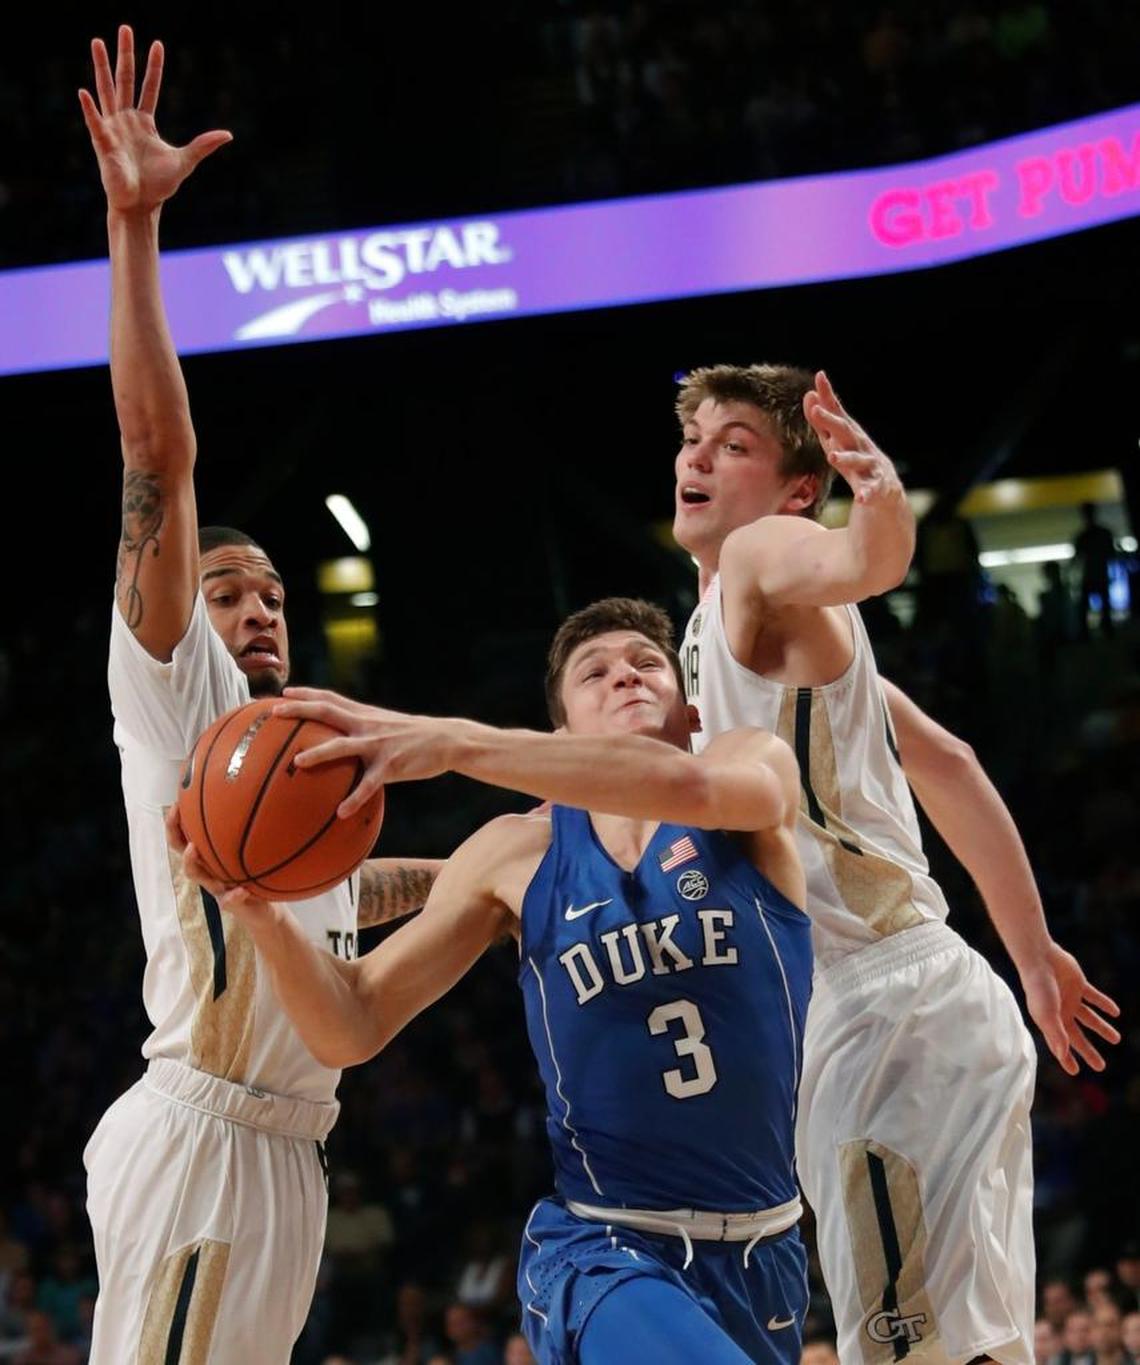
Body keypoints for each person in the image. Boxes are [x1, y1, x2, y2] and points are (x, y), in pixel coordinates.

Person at [175, 596, 815, 1364]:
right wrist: (263, 916)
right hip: (606, 1246)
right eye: (595, 673)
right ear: (559, 737)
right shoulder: (515, 853)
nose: (626, 676)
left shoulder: (752, 766)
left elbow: (696, 789)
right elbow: (352, 1019)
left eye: (648, 664)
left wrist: (453, 742)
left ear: (691, 713)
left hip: (767, 1246)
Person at [77, 27, 441, 1364]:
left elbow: (344, 896)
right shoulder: (183, 696)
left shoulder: (294, 774)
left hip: (289, 1150)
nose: (260, 608)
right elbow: (156, 452)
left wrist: (474, 877)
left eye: (275, 592)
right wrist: (133, 229)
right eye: (232, 590)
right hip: (205, 1133)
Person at [671, 362, 1121, 1365]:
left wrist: (877, 497)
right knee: (973, 1349)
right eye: (693, 439)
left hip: (884, 1016)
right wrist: (1033, 956)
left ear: (798, 489)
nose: (697, 457)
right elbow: (949, 765)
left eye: (734, 444)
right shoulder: (733, 634)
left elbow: (862, 561)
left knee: (911, 1353)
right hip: (928, 1000)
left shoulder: (757, 555)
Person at [1072, 502, 1118, 640]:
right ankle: (1104, 630)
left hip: (1093, 575)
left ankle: (1090, 632)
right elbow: (1112, 555)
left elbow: (1076, 560)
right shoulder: (1101, 534)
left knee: (1089, 606)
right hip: (1097, 574)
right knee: (1101, 606)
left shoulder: (1085, 536)